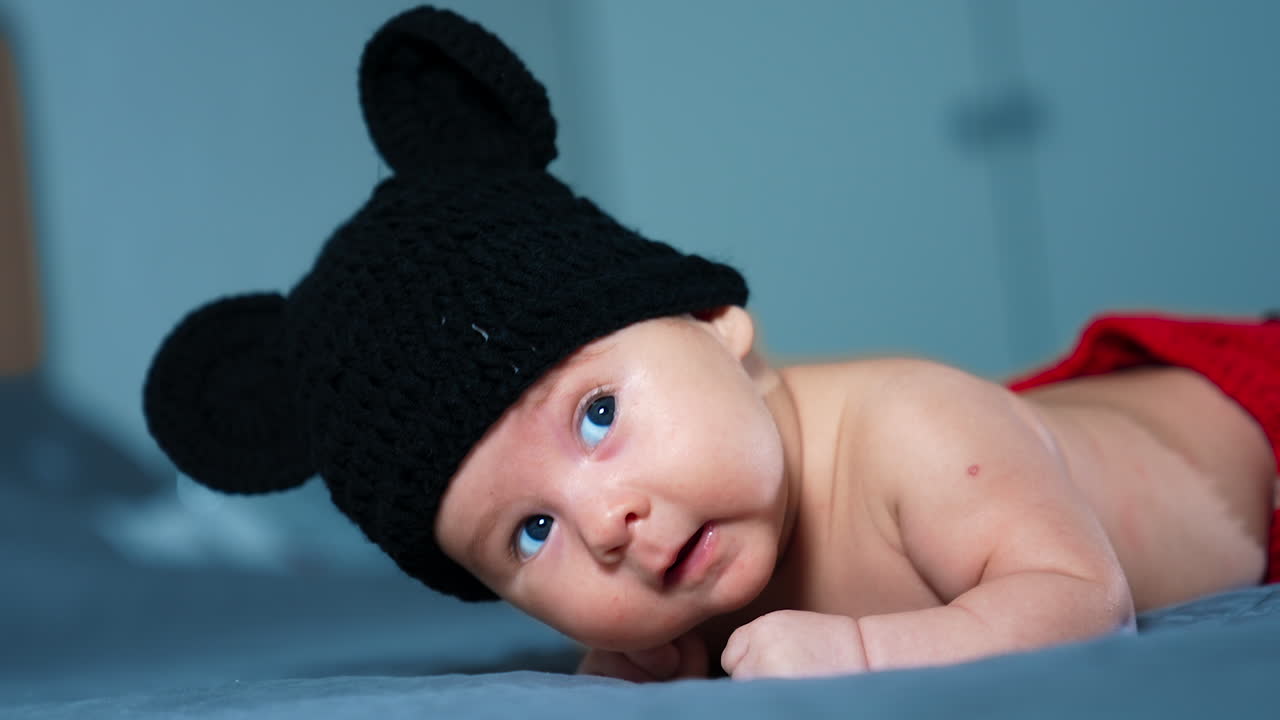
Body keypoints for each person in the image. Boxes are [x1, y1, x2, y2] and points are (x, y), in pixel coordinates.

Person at [142, 6, 1280, 682]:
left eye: (596, 416)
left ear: (712, 322)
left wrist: (865, 657)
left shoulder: (914, 429)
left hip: (1245, 425)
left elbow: (1085, 600)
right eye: (528, 533)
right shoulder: (691, 557)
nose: (603, 526)